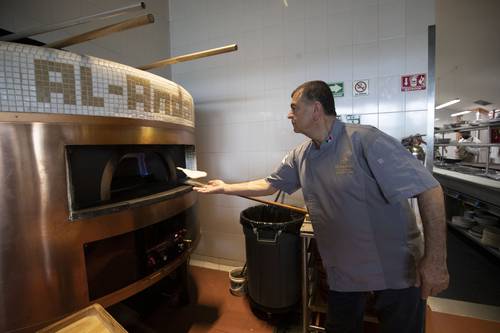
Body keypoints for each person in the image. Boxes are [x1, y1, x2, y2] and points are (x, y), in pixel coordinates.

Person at [193, 80, 449, 333]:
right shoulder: (300, 155)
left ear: (315, 109)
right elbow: (269, 185)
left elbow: (429, 189)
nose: (289, 114)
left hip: (394, 268)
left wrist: (435, 260)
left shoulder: (365, 140)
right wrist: (225, 187)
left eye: (294, 108)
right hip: (343, 271)